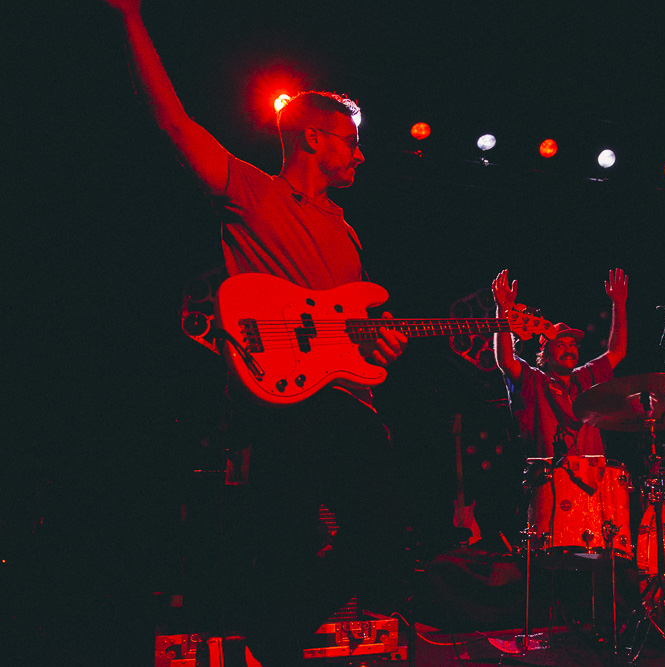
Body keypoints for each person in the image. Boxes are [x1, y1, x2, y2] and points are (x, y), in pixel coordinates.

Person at [102, 2, 407, 664]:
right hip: (274, 405)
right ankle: (274, 634)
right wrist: (130, 19)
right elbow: (173, 124)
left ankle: (273, 632)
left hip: (343, 402)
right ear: (314, 140)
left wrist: (376, 343)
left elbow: (353, 334)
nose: (360, 151)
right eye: (349, 138)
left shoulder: (348, 234)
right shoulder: (249, 192)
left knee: (378, 538)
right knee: (283, 547)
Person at [491, 268, 628, 458]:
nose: (569, 349)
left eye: (572, 344)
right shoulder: (535, 380)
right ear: (545, 356)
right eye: (560, 345)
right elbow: (506, 361)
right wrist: (503, 309)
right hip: (550, 482)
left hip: (594, 482)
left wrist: (619, 303)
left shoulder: (587, 375)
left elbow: (617, 351)